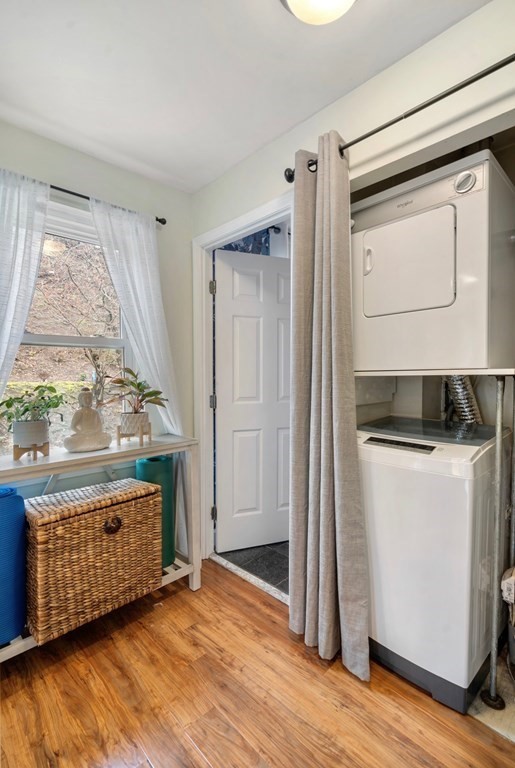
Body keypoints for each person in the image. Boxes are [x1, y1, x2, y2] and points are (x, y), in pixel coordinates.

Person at [64, 388, 111, 452]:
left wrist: (94, 432)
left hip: (94, 435)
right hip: (83, 435)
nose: (88, 400)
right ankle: (91, 444)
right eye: (85, 398)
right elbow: (73, 426)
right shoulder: (79, 412)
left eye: (89, 398)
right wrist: (82, 432)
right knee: (68, 441)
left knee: (107, 437)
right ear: (81, 400)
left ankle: (89, 444)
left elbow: (99, 426)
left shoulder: (95, 412)